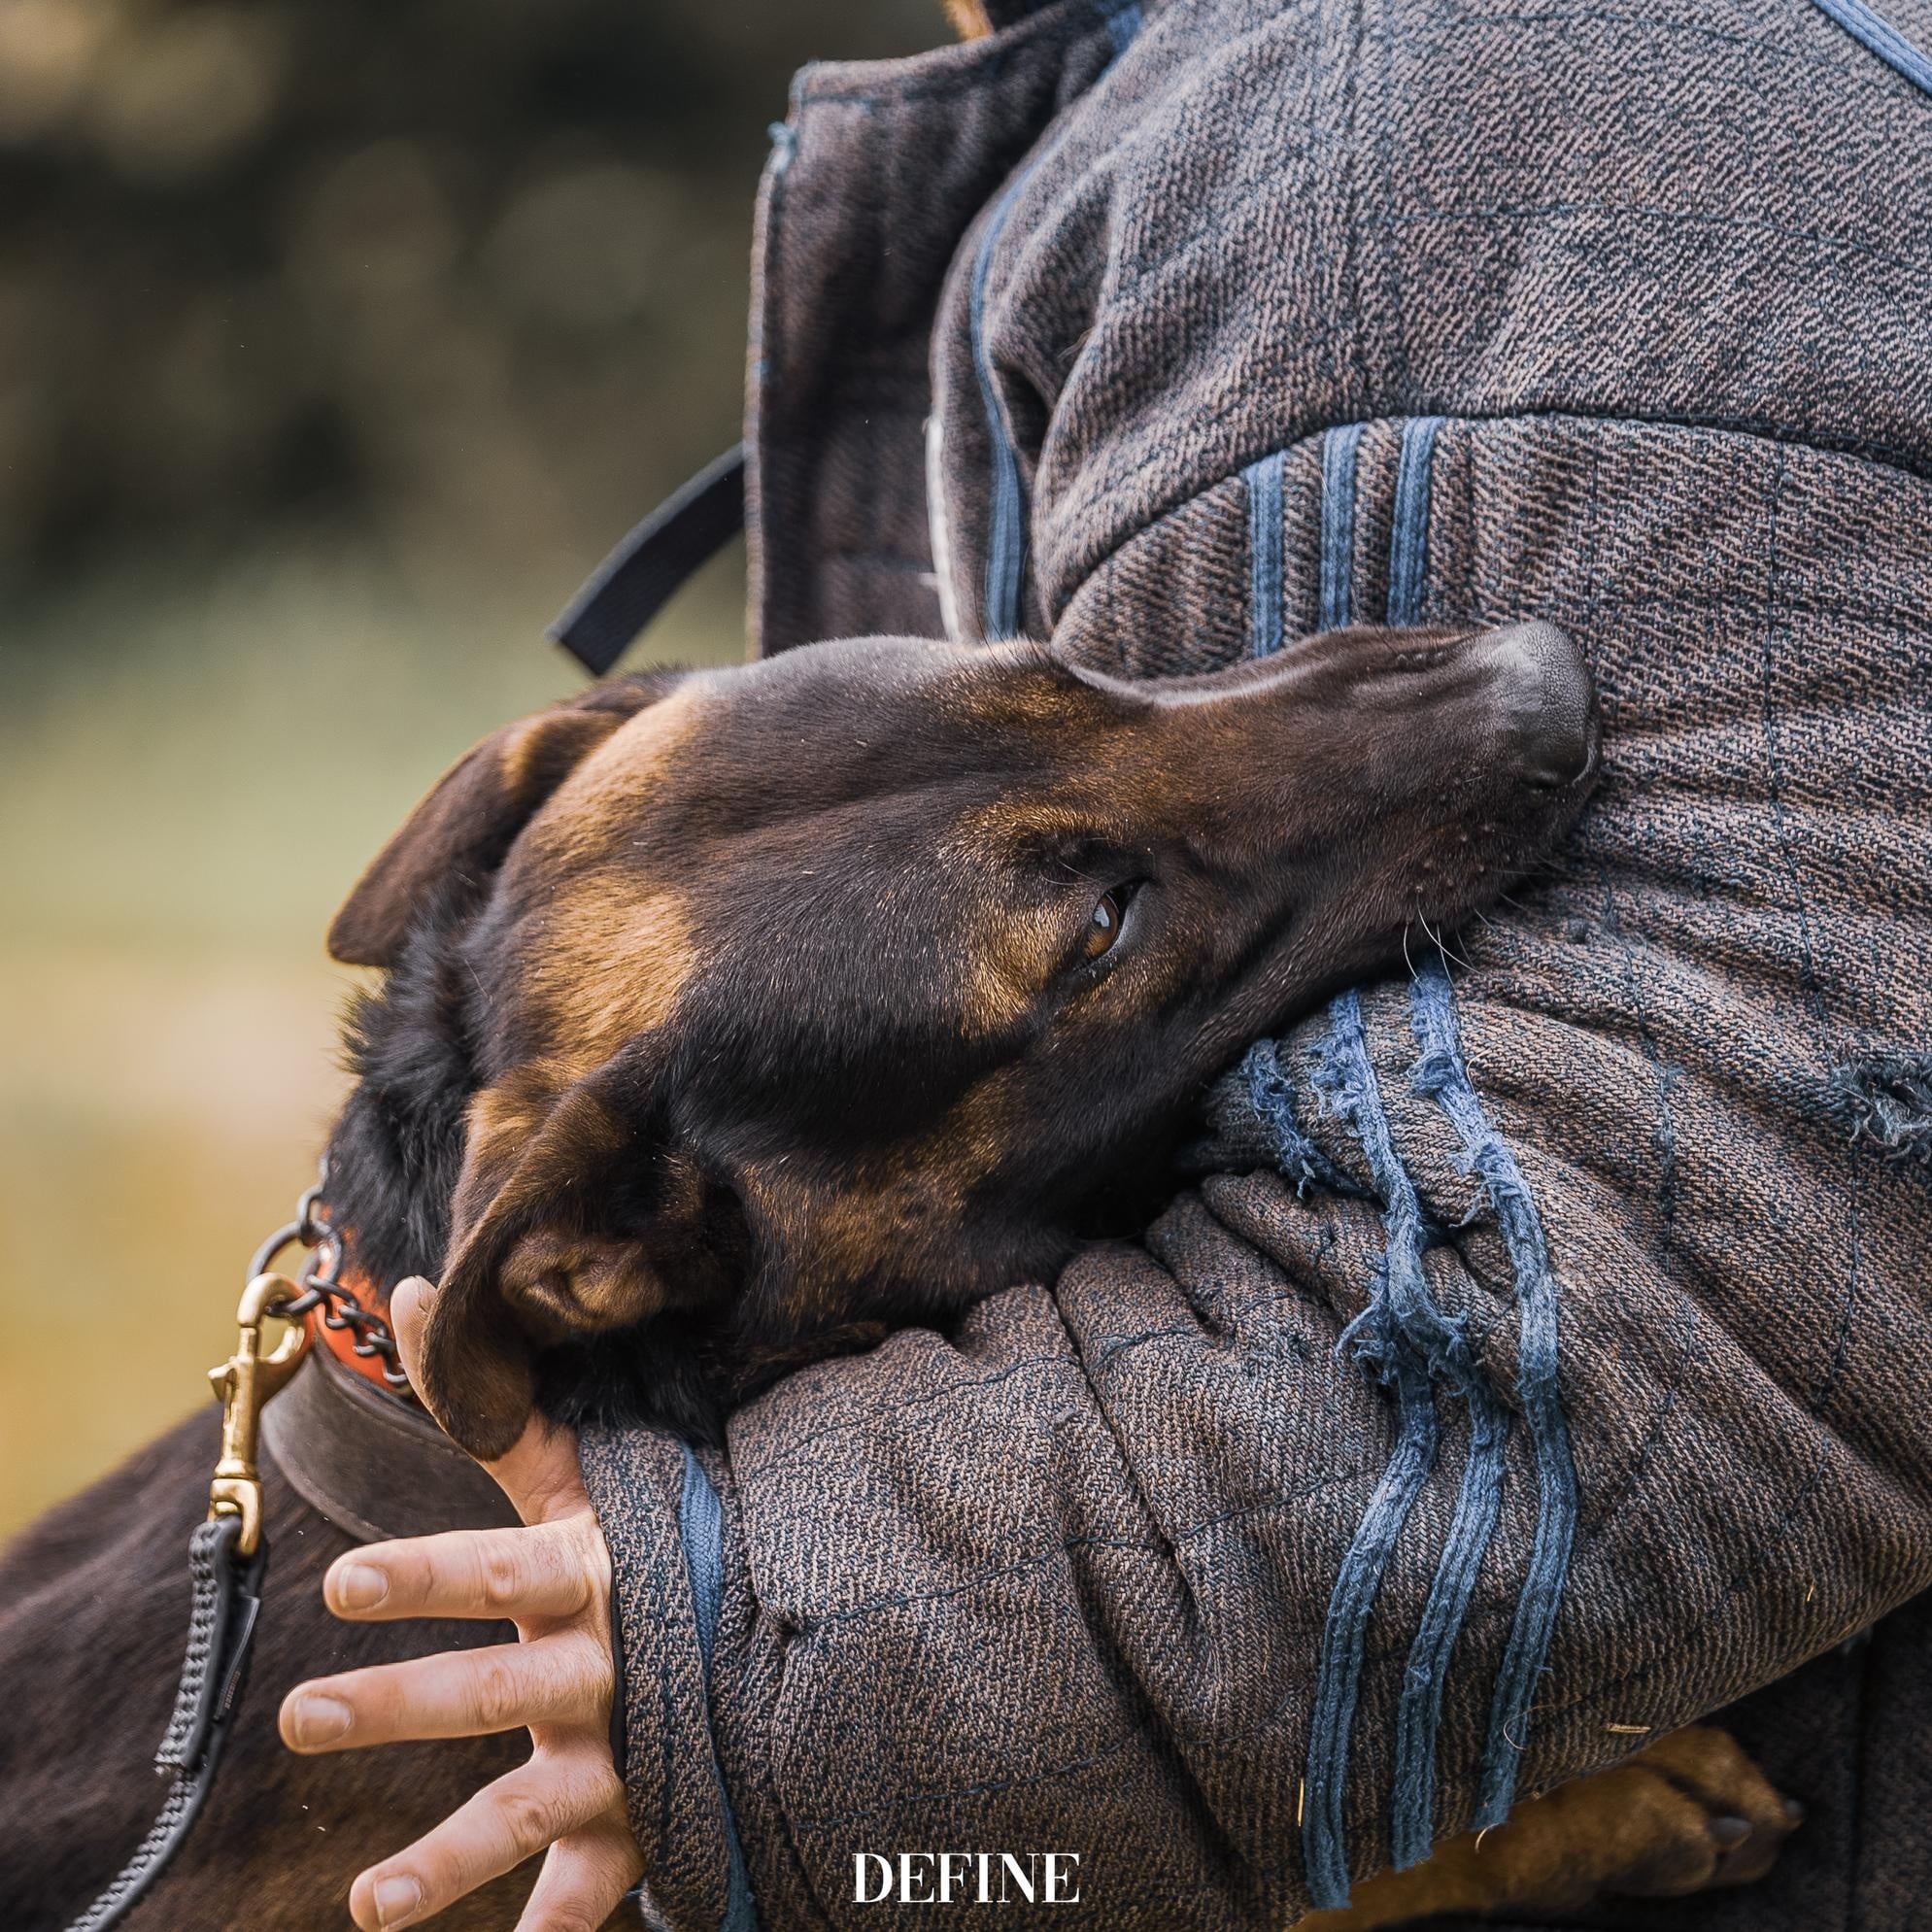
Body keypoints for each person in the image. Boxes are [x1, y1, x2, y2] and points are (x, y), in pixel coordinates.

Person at [285, 0, 1932, 1925]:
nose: (1516, 678)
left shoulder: (1376, 117)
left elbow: (1689, 1251)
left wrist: (775, 1694)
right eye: (1089, 917)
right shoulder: (1203, 108)